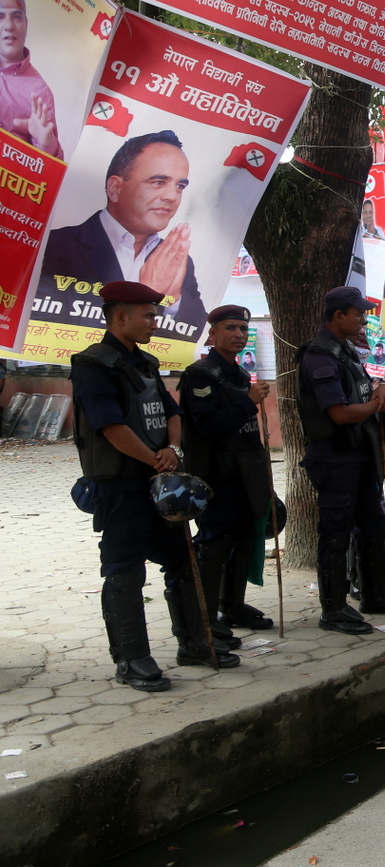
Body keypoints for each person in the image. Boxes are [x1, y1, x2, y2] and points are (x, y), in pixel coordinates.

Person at [70, 281, 237, 693]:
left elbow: (171, 410)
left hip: (162, 484)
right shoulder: (92, 364)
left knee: (183, 561)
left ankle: (195, 644)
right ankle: (131, 659)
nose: (154, 321)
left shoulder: (144, 362)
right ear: (120, 316)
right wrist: (155, 458)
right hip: (121, 487)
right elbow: (109, 425)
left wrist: (173, 449)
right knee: (125, 571)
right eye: (147, 314)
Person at [297, 285, 385, 635]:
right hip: (335, 458)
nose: (363, 319)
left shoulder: (345, 350)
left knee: (373, 524)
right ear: (338, 315)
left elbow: (361, 389)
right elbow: (340, 413)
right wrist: (378, 404)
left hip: (359, 455)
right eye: (358, 313)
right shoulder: (319, 355)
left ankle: (374, 593)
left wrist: (382, 389)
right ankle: (333, 608)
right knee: (335, 533)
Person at [40, 130, 206, 341]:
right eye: (158, 182)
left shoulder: (176, 260)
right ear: (115, 188)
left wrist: (172, 301)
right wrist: (148, 295)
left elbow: (195, 333)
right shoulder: (53, 247)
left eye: (179, 186)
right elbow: (43, 329)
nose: (172, 196)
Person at [180, 304, 276, 653]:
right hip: (215, 477)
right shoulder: (201, 375)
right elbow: (209, 426)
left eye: (242, 329)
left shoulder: (238, 375)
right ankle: (207, 618)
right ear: (213, 334)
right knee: (215, 544)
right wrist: (248, 403)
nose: (238, 334)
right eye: (230, 328)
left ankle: (233, 606)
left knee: (244, 539)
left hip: (244, 474)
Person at [0, 0, 60, 157]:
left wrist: (45, 143)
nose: (8, 26)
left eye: (17, 17)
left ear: (26, 25)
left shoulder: (40, 92)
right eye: (0, 16)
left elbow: (48, 166)